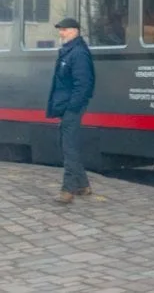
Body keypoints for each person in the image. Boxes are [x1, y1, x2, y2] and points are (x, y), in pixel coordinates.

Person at [46, 17, 95, 204]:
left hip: (72, 109)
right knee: (67, 144)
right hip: (67, 107)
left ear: (75, 31)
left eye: (64, 30)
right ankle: (83, 185)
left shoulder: (78, 53)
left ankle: (68, 190)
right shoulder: (69, 51)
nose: (61, 33)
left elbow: (83, 85)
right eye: (60, 30)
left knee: (69, 147)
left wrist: (71, 108)